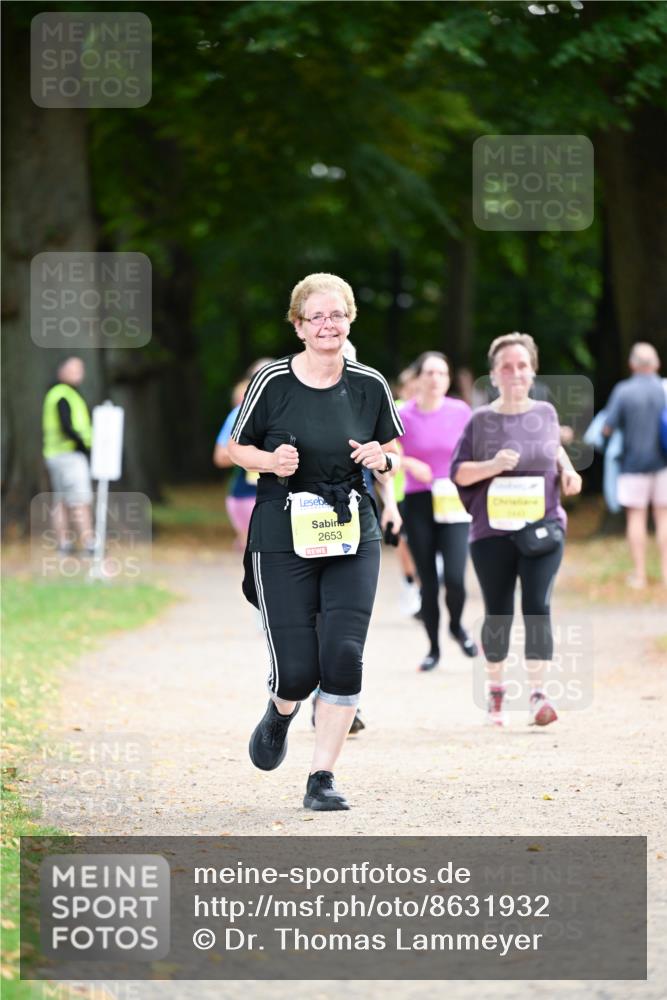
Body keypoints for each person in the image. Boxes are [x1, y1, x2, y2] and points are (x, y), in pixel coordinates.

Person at [227, 273, 404, 811]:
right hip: (284, 531)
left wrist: (384, 460)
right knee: (300, 668)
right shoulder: (273, 383)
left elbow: (392, 445)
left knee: (345, 655)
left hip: (353, 528)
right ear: (299, 326)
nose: (328, 325)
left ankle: (321, 778)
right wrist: (270, 461)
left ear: (350, 320)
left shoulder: (370, 383)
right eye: (316, 317)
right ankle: (281, 711)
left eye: (337, 315)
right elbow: (238, 448)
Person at [451, 333, 582, 727]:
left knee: (538, 606)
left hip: (543, 527)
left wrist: (568, 469)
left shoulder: (545, 412)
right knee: (499, 612)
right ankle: (496, 691)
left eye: (522, 365)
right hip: (492, 532)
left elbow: (552, 448)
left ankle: (538, 695)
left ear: (533, 370)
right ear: (493, 375)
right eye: (506, 367)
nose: (515, 373)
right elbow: (458, 471)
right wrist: (492, 465)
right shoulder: (481, 420)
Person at [399, 351, 478, 671]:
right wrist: (407, 462)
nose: (435, 379)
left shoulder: (460, 411)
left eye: (442, 373)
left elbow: (476, 448)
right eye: (429, 373)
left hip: (454, 500)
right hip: (418, 501)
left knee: (456, 579)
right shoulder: (403, 416)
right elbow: (386, 453)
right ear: (417, 379)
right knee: (428, 581)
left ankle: (457, 625)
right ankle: (433, 648)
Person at [602, 343, 667, 588]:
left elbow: (607, 427)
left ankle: (639, 575)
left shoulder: (623, 391)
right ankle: (665, 574)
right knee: (664, 518)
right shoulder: (665, 389)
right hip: (664, 464)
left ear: (632, 365)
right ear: (656, 364)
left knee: (636, 518)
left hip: (632, 465)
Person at [213, 359, 275, 550]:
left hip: (286, 496)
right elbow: (220, 457)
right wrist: (253, 454)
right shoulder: (239, 414)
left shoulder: (292, 411)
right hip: (247, 495)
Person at [42, 357, 95, 555]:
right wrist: (83, 444)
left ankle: (64, 544)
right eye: (73, 369)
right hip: (70, 456)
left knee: (62, 501)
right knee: (80, 500)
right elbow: (67, 426)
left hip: (54, 455)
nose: (78, 374)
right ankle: (89, 543)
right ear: (61, 371)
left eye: (80, 370)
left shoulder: (56, 394)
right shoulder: (64, 395)